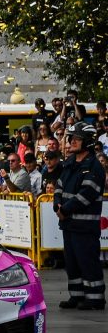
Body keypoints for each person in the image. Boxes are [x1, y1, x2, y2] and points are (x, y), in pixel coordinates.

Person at [54, 121, 105, 310]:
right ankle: (76, 295)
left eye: (77, 139)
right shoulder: (69, 163)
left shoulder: (94, 167)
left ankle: (95, 298)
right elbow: (59, 185)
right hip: (68, 225)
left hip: (84, 226)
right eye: (71, 138)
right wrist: (57, 205)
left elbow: (87, 194)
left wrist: (65, 210)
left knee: (87, 261)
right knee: (72, 262)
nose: (72, 142)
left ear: (88, 142)